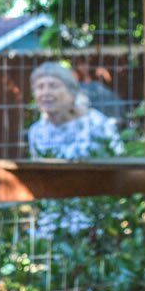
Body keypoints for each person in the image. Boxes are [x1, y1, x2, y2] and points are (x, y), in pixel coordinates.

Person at [26, 61, 123, 235]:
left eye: (53, 86)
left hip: (96, 217)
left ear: (71, 93)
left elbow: (120, 164)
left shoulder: (96, 123)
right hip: (54, 220)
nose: (45, 92)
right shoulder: (36, 132)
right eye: (40, 87)